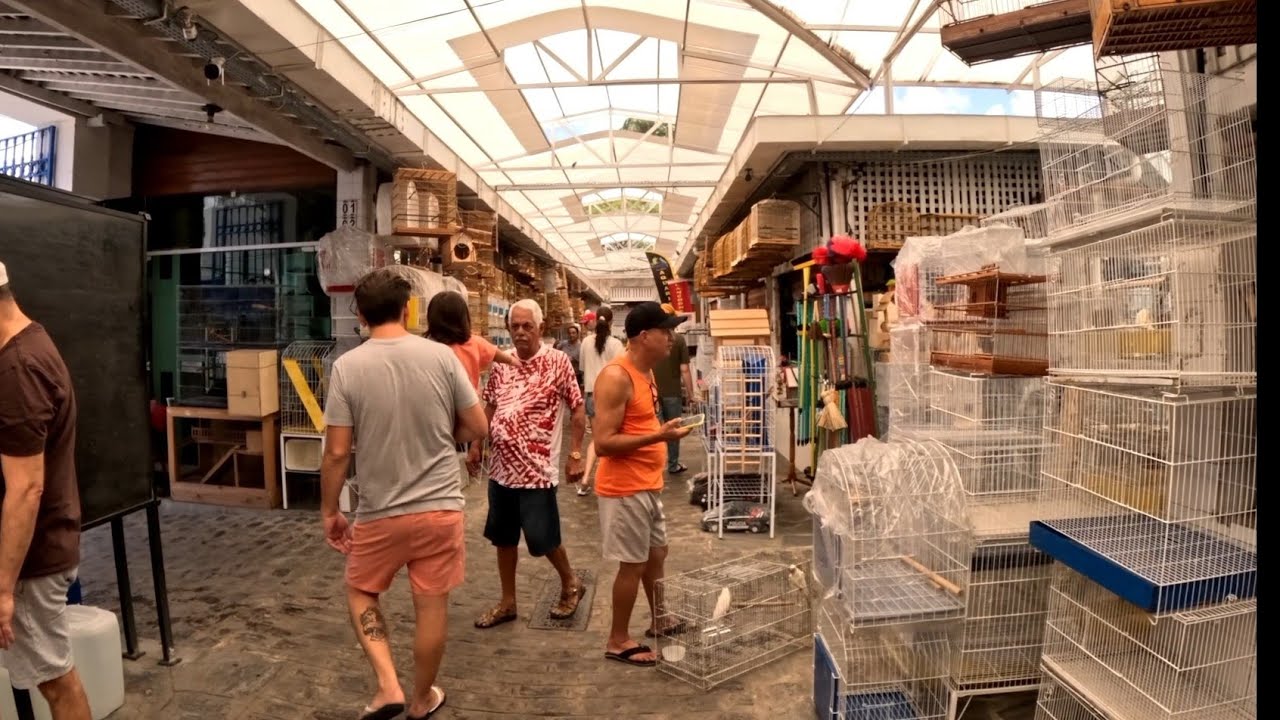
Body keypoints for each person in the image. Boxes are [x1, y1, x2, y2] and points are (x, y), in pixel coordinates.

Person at [321, 268, 489, 720]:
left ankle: (388, 685)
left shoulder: (348, 368)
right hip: (440, 508)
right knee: (431, 607)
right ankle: (421, 700)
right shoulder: (440, 357)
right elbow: (478, 426)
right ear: (408, 309)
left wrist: (330, 511)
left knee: (360, 591)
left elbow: (337, 453)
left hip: (380, 513)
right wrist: (442, 434)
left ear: (359, 314)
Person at [0, 261, 92, 720]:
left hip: (32, 560)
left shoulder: (18, 369)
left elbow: (27, 489)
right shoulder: (28, 343)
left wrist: (2, 588)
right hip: (36, 551)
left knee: (56, 681)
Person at [474, 299, 588, 630]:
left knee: (544, 538)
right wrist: (477, 446)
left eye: (528, 326)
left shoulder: (558, 362)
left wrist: (576, 453)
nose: (521, 332)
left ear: (540, 328)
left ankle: (571, 583)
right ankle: (508, 602)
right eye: (515, 326)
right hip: (500, 470)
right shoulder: (501, 363)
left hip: (537, 471)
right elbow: (491, 407)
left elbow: (578, 409)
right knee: (503, 538)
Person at [591, 301, 693, 667]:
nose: (671, 338)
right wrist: (659, 438)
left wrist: (662, 432)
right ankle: (618, 639)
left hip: (647, 484)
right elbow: (603, 443)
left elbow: (639, 428)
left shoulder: (645, 373)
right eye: (666, 331)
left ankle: (660, 618)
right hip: (624, 489)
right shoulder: (616, 377)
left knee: (656, 554)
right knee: (632, 564)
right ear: (644, 336)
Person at [424, 291, 519, 486]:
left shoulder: (428, 348)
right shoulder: (475, 343)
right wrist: (520, 364)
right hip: (467, 414)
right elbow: (507, 359)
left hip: (437, 413)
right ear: (464, 318)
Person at [576, 306, 624, 496]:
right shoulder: (616, 345)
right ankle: (608, 480)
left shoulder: (586, 342)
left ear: (595, 321)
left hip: (591, 397)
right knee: (611, 439)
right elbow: (621, 373)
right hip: (610, 397)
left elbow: (582, 369)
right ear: (612, 322)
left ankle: (586, 479)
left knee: (597, 439)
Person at [652, 326, 695, 475]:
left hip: (652, 393)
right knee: (674, 430)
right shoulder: (679, 339)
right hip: (673, 393)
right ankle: (673, 465)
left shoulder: (652, 340)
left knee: (653, 431)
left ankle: (653, 466)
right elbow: (685, 369)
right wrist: (691, 394)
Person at [555, 324, 583, 390]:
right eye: (569, 333)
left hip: (576, 375)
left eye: (573, 333)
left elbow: (583, 362)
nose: (571, 335)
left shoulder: (581, 346)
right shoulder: (563, 344)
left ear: (577, 334)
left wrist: (573, 359)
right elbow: (555, 352)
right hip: (563, 374)